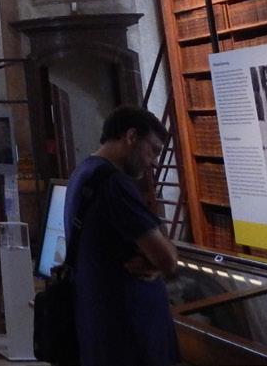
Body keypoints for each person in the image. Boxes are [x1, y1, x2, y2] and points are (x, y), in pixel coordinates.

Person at [64, 106, 178, 366]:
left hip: (99, 325)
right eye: (153, 150)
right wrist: (159, 260)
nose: (154, 162)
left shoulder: (83, 172)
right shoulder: (113, 184)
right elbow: (168, 260)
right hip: (128, 334)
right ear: (131, 136)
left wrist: (153, 261)